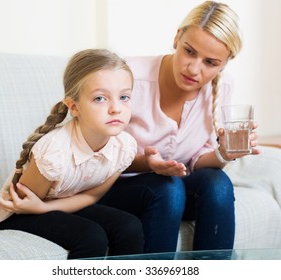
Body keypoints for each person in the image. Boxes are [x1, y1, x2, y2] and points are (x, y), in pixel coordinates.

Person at [98, 1, 260, 254]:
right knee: (168, 187)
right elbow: (90, 156)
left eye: (210, 62)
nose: (194, 69)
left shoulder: (223, 86)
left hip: (171, 194)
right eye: (190, 52)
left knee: (217, 182)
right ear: (177, 38)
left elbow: (196, 161)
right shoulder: (128, 76)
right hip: (113, 189)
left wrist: (224, 154)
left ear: (225, 63)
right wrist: (146, 164)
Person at [0, 49, 144, 259]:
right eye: (100, 98)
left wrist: (43, 209)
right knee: (91, 236)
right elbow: (24, 202)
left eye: (124, 97)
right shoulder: (55, 152)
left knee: (129, 226)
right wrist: (39, 208)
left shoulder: (124, 147)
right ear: (74, 107)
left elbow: (91, 195)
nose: (116, 108)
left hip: (56, 203)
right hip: (19, 210)